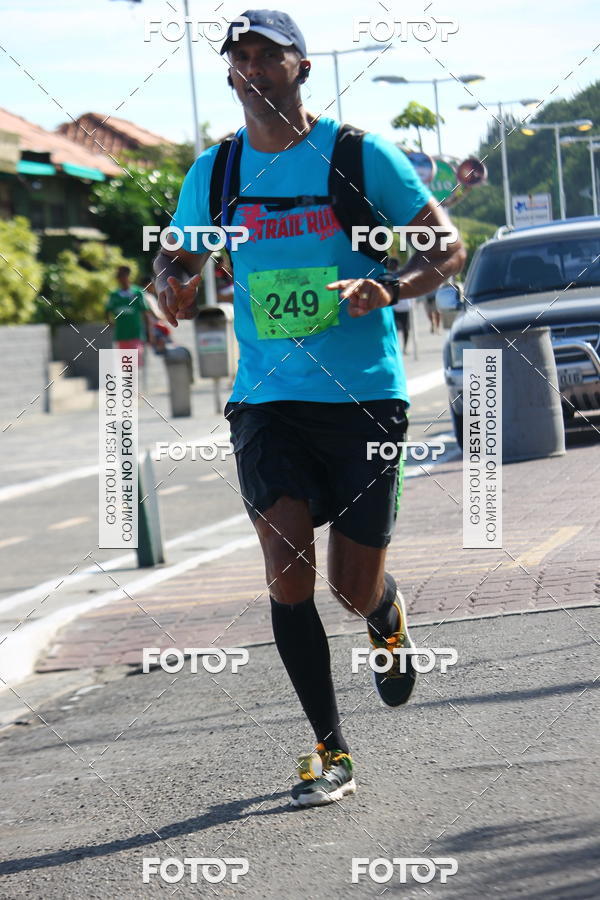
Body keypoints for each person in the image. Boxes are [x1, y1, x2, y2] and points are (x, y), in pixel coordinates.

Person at [153, 10, 465, 808]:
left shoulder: (358, 156)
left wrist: (388, 288)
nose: (253, 68)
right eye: (240, 57)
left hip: (363, 395)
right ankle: (330, 749)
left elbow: (446, 246)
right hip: (265, 399)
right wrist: (172, 288)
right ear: (229, 74)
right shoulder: (215, 174)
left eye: (269, 55)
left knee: (350, 586)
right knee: (286, 570)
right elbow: (176, 264)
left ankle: (385, 613)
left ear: (300, 67)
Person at [105, 266, 153, 365]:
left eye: (123, 275)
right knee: (126, 365)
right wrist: (109, 321)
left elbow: (145, 313)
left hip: (136, 334)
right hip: (121, 334)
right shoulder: (114, 295)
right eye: (118, 276)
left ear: (128, 276)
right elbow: (107, 310)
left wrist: (149, 334)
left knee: (136, 362)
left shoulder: (138, 293)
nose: (120, 278)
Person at [388, 257, 411, 351]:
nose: (389, 265)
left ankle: (405, 346)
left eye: (391, 264)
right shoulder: (387, 275)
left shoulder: (402, 275)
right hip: (393, 306)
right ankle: (396, 346)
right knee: (392, 328)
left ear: (396, 265)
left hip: (404, 306)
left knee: (404, 327)